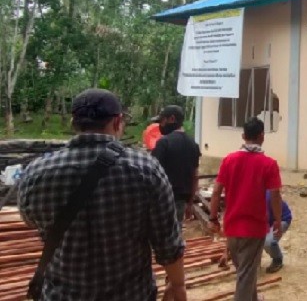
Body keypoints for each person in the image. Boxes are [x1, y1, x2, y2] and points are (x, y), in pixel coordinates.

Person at [17, 88, 186, 301]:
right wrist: (178, 285)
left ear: (73, 123)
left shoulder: (37, 172)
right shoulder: (146, 169)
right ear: (117, 122)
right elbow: (168, 243)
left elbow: (30, 219)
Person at [210, 117, 283, 301]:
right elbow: (275, 195)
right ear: (262, 137)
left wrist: (213, 219)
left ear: (243, 136)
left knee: (245, 273)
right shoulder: (268, 164)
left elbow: (216, 191)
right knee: (246, 275)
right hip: (254, 229)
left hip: (232, 227)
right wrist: (277, 220)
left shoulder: (229, 160)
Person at [152, 105, 201, 224]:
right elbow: (195, 176)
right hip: (181, 202)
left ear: (172, 119)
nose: (160, 125)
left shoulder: (164, 143)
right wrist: (190, 204)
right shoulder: (193, 144)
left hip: (162, 200)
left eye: (162, 121)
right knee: (175, 233)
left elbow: (152, 173)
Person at [263, 189, 292, 273]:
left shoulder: (266, 198)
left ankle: (277, 259)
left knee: (267, 241)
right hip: (269, 220)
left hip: (282, 219)